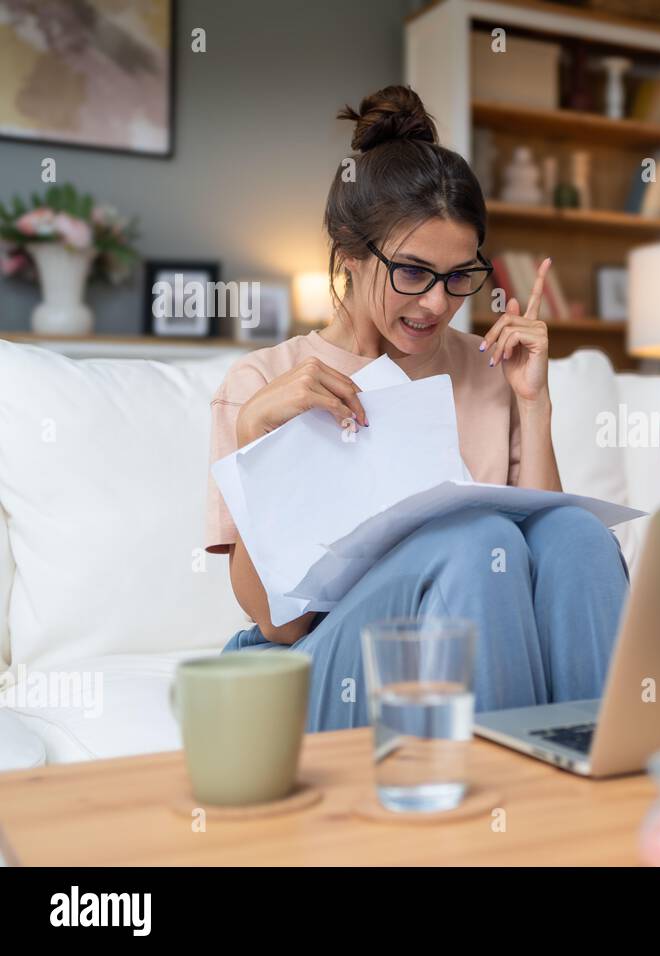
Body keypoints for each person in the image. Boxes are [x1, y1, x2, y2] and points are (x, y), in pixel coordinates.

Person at [203, 85, 629, 732]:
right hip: (310, 662)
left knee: (578, 534)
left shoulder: (488, 368)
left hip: (463, 651)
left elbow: (547, 561)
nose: (436, 302)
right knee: (474, 538)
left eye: (461, 276)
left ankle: (597, 783)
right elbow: (280, 621)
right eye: (412, 272)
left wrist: (532, 403)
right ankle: (500, 799)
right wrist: (255, 430)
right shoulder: (263, 384)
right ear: (349, 259)